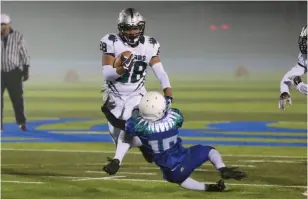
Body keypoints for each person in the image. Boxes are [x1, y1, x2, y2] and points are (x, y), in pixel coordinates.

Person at [101, 91, 247, 192]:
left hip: (171, 170)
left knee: (180, 179)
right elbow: (168, 109)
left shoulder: (141, 126)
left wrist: (106, 111)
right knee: (209, 150)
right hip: (183, 155)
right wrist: (167, 99)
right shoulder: (174, 117)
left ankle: (209, 188)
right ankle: (222, 168)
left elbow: (118, 123)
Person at [100, 8, 173, 174]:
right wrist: (121, 69)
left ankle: (116, 162)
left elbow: (160, 71)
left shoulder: (149, 44)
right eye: (128, 28)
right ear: (121, 28)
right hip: (114, 95)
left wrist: (168, 91)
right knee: (117, 133)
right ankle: (144, 145)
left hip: (137, 94)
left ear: (142, 27)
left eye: (136, 28)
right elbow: (107, 74)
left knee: (128, 124)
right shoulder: (112, 41)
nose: (133, 33)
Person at [1, 13, 30, 131]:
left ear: (9, 24)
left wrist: (26, 70)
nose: (2, 27)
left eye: (4, 24)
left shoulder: (18, 36)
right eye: (0, 24)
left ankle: (21, 123)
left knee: (17, 99)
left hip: (13, 72)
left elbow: (25, 54)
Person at [279, 25, 307, 110]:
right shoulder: (304, 57)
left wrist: (300, 86)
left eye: (306, 39)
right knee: (288, 78)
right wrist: (284, 92)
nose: (303, 43)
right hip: (303, 62)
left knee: (298, 84)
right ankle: (300, 86)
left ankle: (301, 86)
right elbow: (288, 78)